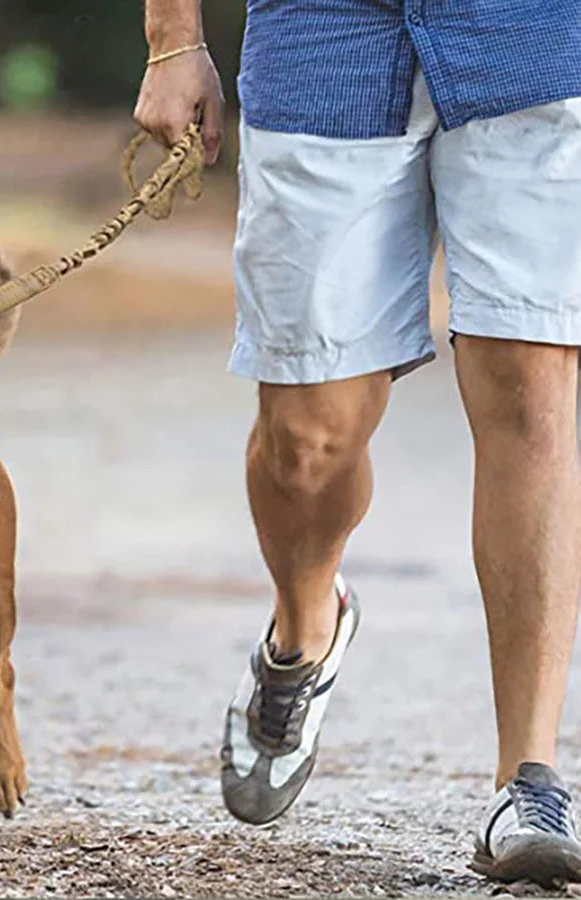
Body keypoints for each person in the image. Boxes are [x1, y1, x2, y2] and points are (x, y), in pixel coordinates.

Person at [134, 0, 581, 886]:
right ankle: (305, 626)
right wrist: (173, 38)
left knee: (534, 388)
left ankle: (528, 779)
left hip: (538, 35)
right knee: (309, 440)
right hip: (324, 30)